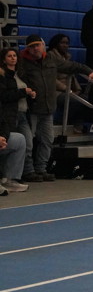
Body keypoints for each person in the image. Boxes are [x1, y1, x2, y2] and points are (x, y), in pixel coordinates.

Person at [18, 35, 93, 182]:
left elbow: (71, 66)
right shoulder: (22, 62)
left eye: (37, 45)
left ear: (43, 45)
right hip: (31, 108)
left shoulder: (51, 59)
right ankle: (28, 171)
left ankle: (41, 169)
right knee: (28, 143)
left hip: (48, 108)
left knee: (47, 140)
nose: (35, 49)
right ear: (27, 49)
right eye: (32, 46)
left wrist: (88, 71)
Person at [0, 48, 34, 190]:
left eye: (15, 55)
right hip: (11, 113)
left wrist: (3, 135)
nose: (13, 58)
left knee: (22, 140)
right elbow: (4, 96)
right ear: (3, 59)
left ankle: (12, 178)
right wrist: (22, 92)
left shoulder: (20, 74)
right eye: (9, 56)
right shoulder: (4, 77)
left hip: (21, 113)